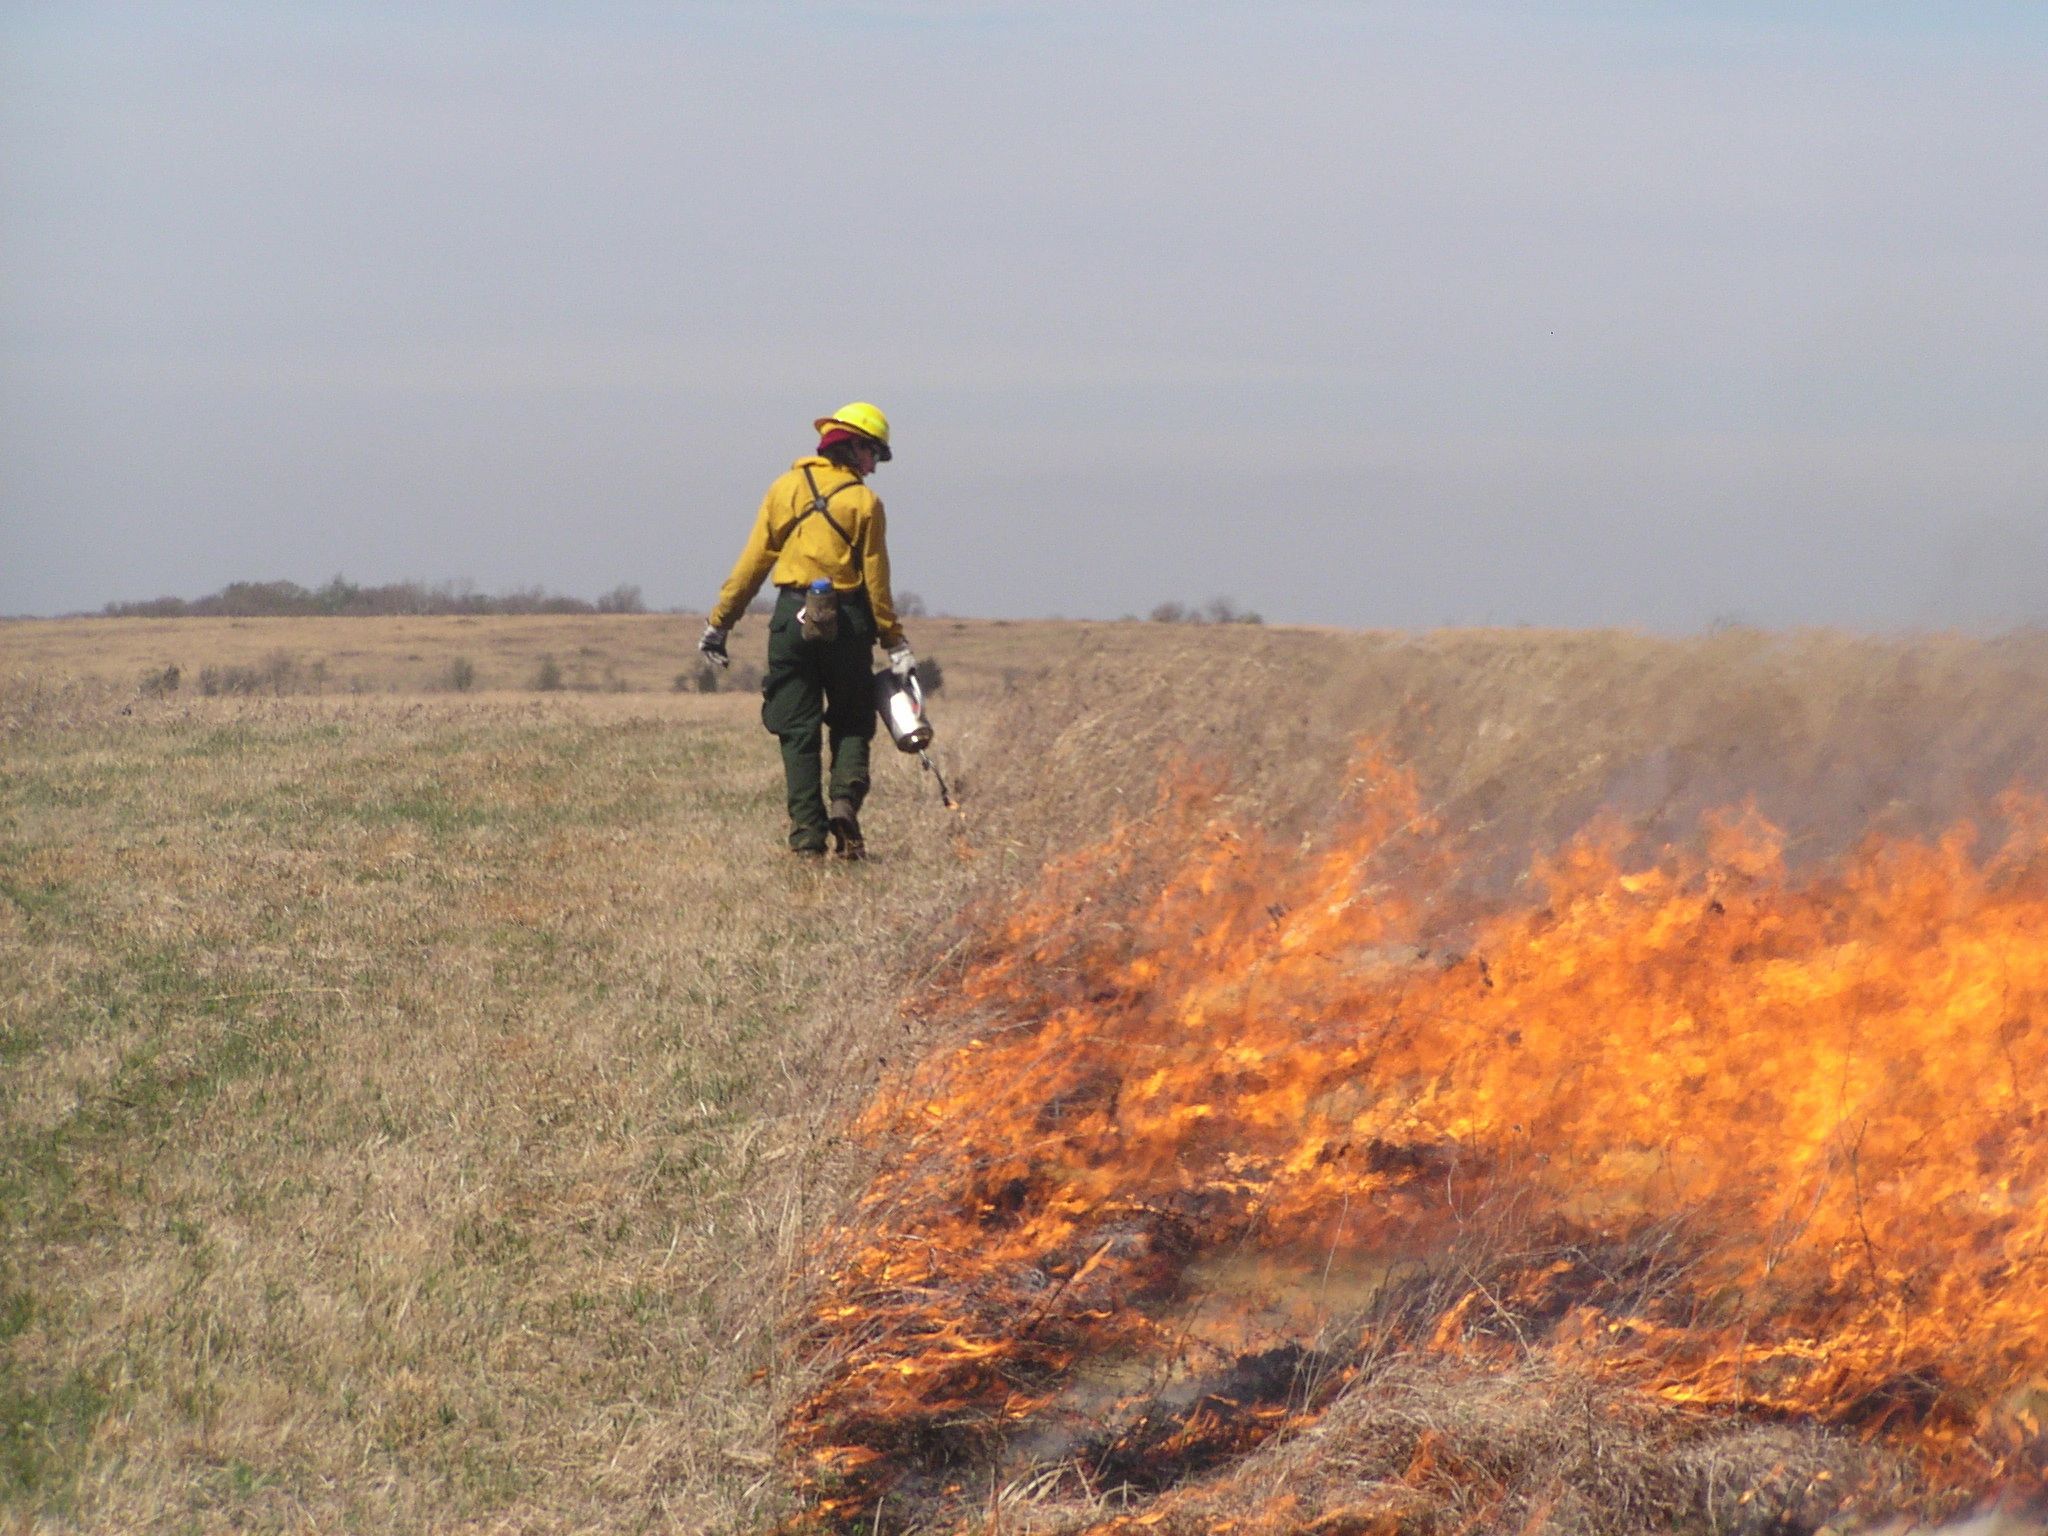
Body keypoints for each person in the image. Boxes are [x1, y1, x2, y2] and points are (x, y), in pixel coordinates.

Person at [699, 402, 915, 858]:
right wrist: (894, 642)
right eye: (874, 453)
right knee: (853, 719)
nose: (875, 466)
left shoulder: (784, 489)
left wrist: (720, 623)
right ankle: (845, 803)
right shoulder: (865, 504)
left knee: (796, 730)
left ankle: (807, 840)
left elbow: (753, 563)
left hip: (790, 621)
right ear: (853, 447)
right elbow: (877, 584)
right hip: (848, 623)